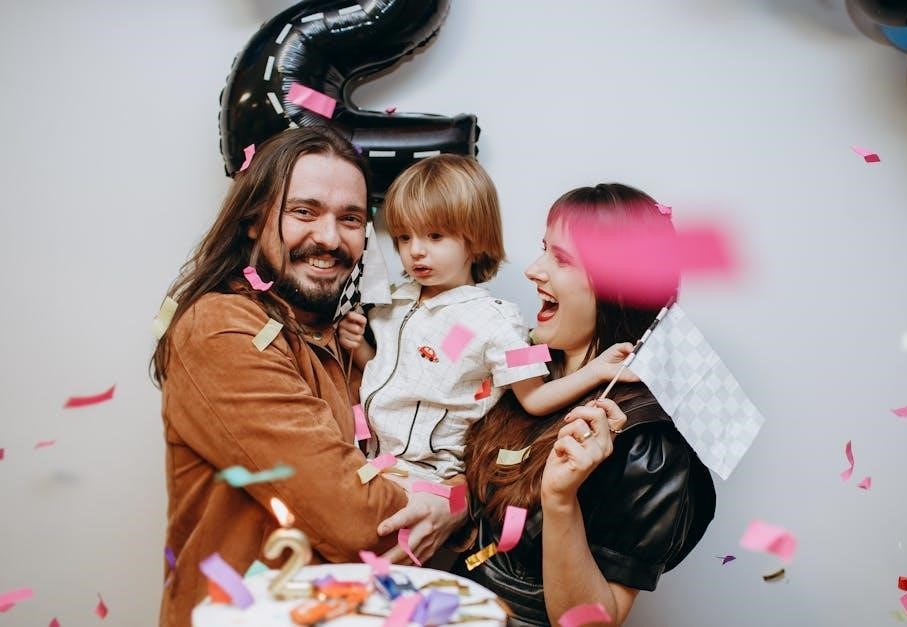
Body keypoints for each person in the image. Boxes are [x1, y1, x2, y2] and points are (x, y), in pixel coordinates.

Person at [151, 125, 460, 626]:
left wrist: (456, 499)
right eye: (304, 211)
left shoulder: (337, 336)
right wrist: (453, 502)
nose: (329, 238)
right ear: (254, 220)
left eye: (350, 219)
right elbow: (358, 523)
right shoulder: (222, 327)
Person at [453, 183, 717, 626]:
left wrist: (560, 502)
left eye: (562, 259)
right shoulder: (529, 367)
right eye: (544, 250)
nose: (532, 271)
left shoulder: (645, 442)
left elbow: (594, 622)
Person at [338, 155, 635, 483]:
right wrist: (358, 346)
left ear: (476, 239)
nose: (416, 250)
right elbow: (390, 371)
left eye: (434, 236)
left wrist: (594, 372)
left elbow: (535, 397)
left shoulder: (499, 322)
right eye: (404, 237)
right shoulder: (392, 302)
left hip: (429, 476)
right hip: (372, 459)